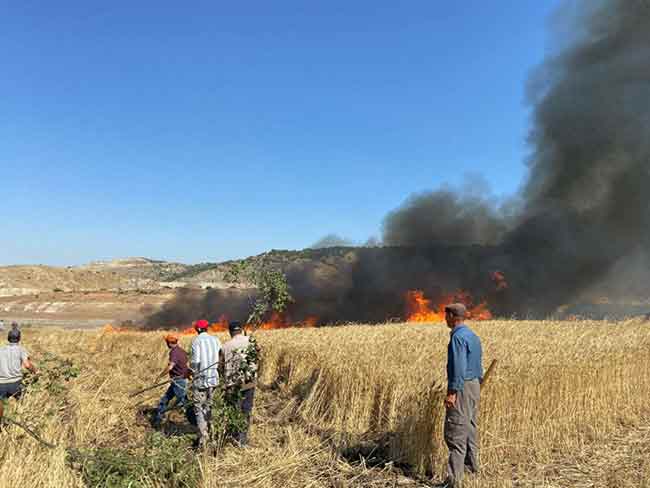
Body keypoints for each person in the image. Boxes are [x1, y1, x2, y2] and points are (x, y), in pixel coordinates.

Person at [440, 303, 483, 488]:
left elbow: (458, 367)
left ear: (451, 315)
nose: (444, 319)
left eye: (446, 315)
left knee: (455, 431)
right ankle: (472, 470)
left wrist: (452, 392)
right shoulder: (473, 336)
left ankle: (454, 481)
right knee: (470, 428)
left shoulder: (457, 338)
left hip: (462, 386)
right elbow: (478, 364)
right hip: (474, 385)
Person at [220, 321, 258, 446]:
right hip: (249, 381)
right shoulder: (250, 341)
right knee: (246, 410)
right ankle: (242, 439)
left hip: (232, 383)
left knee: (235, 409)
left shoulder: (225, 346)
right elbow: (258, 354)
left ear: (230, 332)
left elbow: (221, 366)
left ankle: (235, 435)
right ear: (241, 330)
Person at [190, 319, 221, 448]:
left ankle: (204, 438)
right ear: (207, 328)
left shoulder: (196, 342)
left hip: (201, 381)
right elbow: (221, 358)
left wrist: (193, 375)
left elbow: (195, 363)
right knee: (211, 408)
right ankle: (214, 436)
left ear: (197, 329)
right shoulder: (216, 340)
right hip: (214, 380)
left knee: (199, 409)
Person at [152, 334, 190, 427]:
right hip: (178, 380)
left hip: (178, 381)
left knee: (184, 402)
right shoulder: (182, 351)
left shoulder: (174, 352)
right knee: (165, 399)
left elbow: (170, 367)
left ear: (169, 343)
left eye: (166, 342)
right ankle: (158, 419)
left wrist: (159, 377)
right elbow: (186, 366)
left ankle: (190, 421)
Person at [0, 326, 36, 400]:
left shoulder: (1, 349)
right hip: (16, 383)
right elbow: (27, 365)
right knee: (21, 402)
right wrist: (34, 371)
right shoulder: (21, 350)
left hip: (1, 384)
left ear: (8, 338)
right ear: (19, 339)